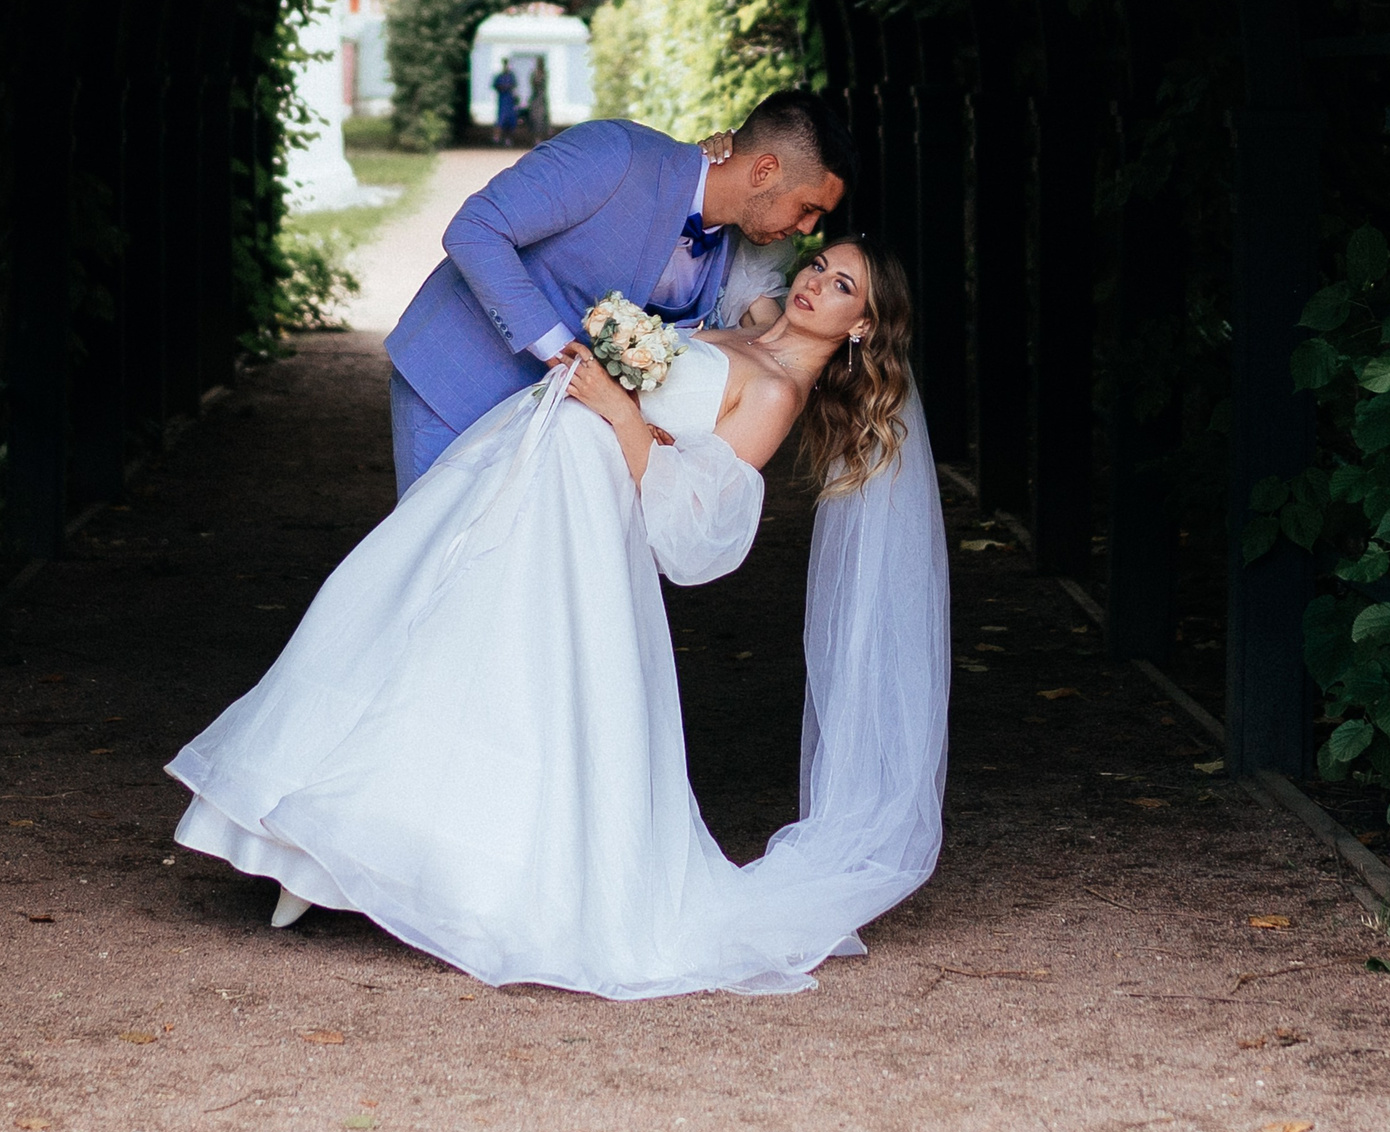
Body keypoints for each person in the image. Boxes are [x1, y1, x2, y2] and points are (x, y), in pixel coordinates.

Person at [168, 236, 948, 997]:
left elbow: (696, 522)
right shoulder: (745, 321)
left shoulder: (777, 391)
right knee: (411, 622)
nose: (816, 281)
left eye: (842, 285)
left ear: (863, 327)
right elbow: (737, 235)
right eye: (818, 264)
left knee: (496, 671)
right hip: (527, 462)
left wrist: (618, 407)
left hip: (577, 515)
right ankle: (306, 836)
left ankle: (428, 867)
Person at [383, 87, 859, 498]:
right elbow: (476, 229)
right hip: (457, 384)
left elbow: (752, 348)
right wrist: (557, 350)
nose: (808, 228)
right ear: (764, 171)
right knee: (437, 568)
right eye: (807, 207)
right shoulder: (615, 153)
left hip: (559, 436)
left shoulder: (742, 251)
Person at [489, 65, 520, 147]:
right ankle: (497, 138)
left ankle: (507, 139)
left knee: (510, 121)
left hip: (509, 101)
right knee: (500, 120)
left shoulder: (511, 77)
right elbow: (495, 86)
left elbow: (514, 87)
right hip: (503, 101)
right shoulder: (499, 76)